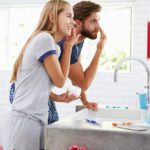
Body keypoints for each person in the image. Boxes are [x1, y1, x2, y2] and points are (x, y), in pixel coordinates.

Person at [2, 0, 80, 149]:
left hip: (34, 121)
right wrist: (69, 46)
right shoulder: (44, 39)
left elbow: (36, 83)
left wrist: (69, 45)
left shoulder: (52, 45)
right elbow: (60, 82)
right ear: (52, 17)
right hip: (25, 122)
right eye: (69, 16)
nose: (73, 22)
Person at [48, 1, 106, 124]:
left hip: (42, 91)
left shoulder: (77, 42)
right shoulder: (67, 44)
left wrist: (85, 102)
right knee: (49, 132)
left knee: (51, 130)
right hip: (27, 92)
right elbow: (84, 83)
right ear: (78, 22)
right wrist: (99, 49)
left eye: (98, 20)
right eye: (93, 21)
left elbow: (77, 79)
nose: (98, 26)